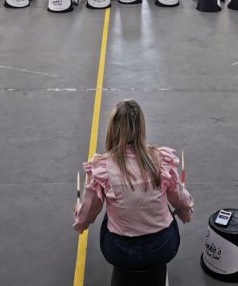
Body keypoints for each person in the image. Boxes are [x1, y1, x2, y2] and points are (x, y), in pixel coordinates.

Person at [73, 99, 194, 270]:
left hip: (120, 252)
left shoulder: (103, 167)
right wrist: (185, 211)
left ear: (113, 129)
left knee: (110, 210)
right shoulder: (160, 159)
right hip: (163, 247)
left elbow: (89, 211)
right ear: (141, 128)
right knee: (164, 200)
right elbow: (180, 199)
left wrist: (80, 220)